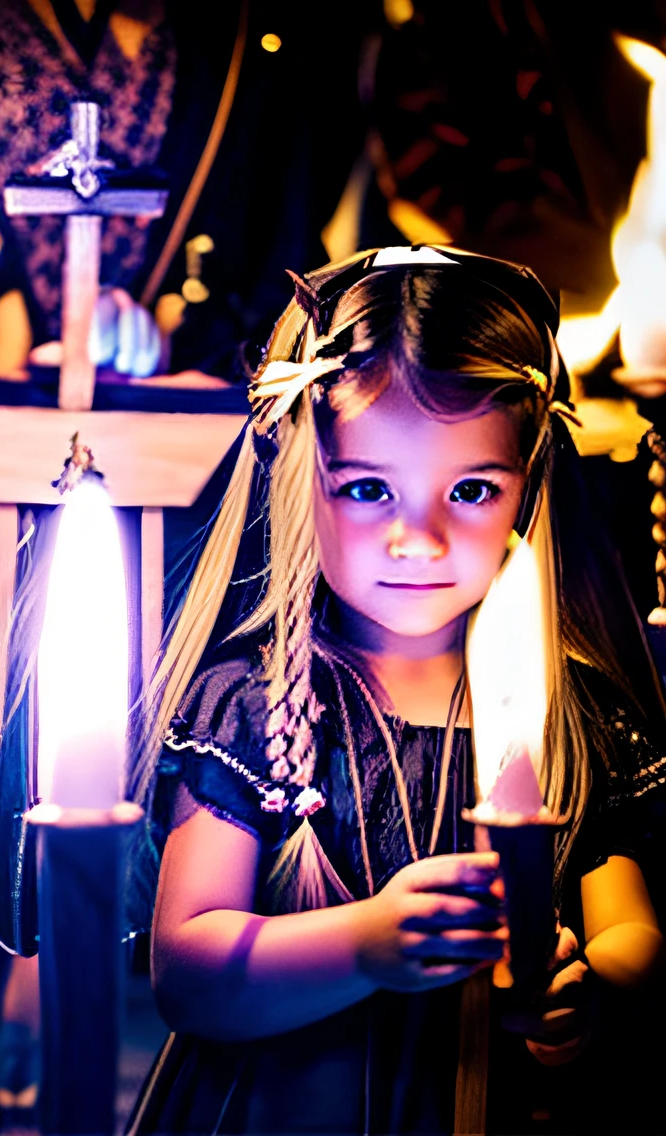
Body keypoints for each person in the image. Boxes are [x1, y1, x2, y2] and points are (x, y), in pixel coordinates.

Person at [128, 246, 665, 1133]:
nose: (419, 538)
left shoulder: (570, 712)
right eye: (371, 489)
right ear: (304, 482)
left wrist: (592, 986)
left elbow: (632, 925)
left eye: (471, 489)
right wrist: (365, 945)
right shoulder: (257, 707)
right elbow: (187, 971)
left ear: (526, 490)